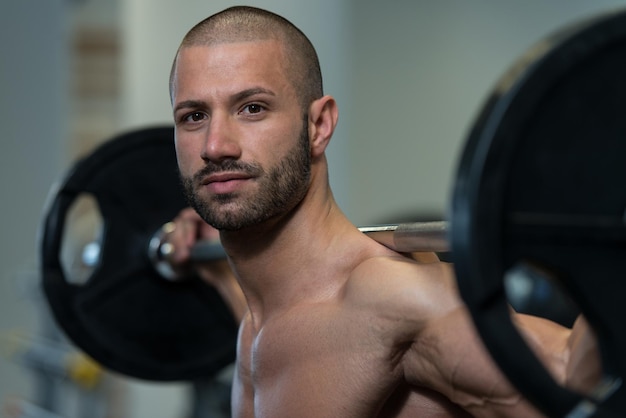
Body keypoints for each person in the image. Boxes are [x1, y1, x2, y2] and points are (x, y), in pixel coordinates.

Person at [166, 6, 600, 417]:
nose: (215, 146)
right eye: (193, 116)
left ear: (319, 126)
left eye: (253, 108)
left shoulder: (392, 299)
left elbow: (576, 385)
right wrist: (215, 272)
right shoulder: (261, 318)